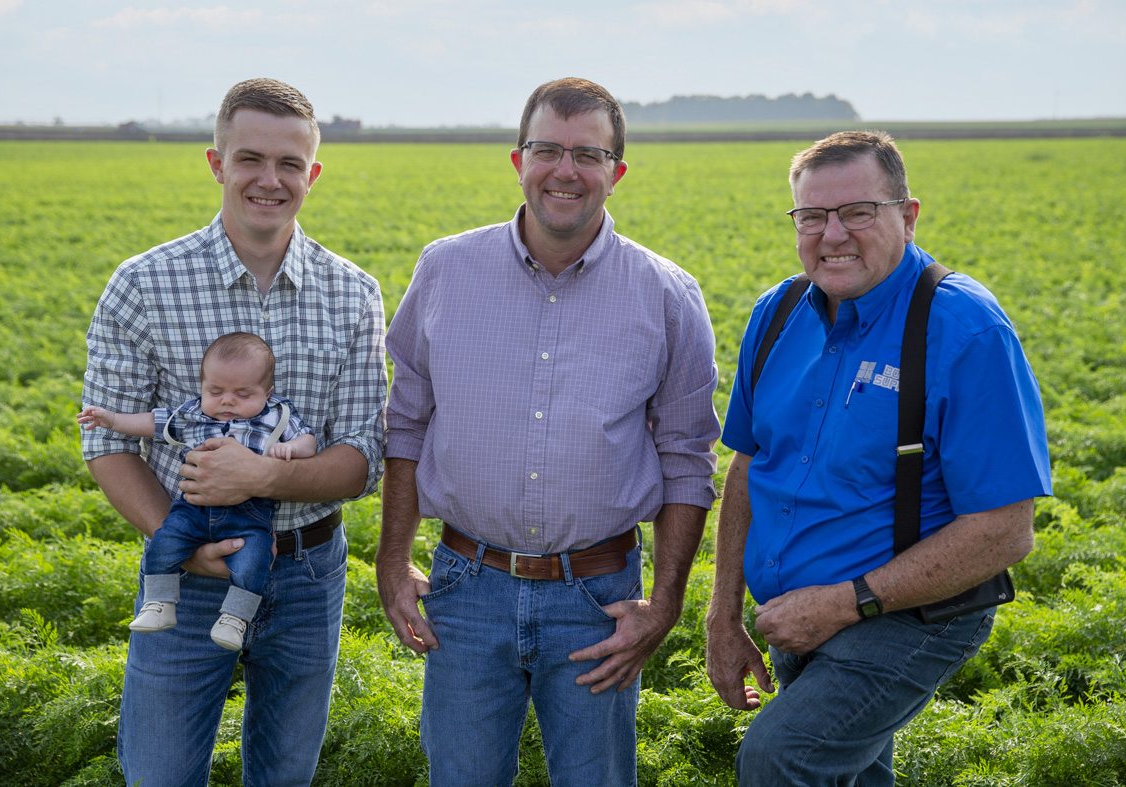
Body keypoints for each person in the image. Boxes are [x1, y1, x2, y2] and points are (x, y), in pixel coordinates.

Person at [378, 77, 720, 785]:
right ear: (518, 160)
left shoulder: (666, 293)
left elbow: (687, 458)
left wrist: (664, 605)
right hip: (465, 591)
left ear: (615, 173)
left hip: (597, 600)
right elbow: (406, 422)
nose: (565, 171)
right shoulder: (446, 269)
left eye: (588, 154)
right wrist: (391, 558)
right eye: (547, 149)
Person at [705, 130, 1052, 786]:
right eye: (812, 216)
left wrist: (842, 603)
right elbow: (748, 467)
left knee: (782, 756)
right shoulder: (777, 315)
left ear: (908, 215)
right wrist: (721, 615)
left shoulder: (963, 329)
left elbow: (1005, 531)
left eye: (858, 212)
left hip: (905, 612)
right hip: (794, 613)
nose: (832, 234)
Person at [81, 78, 386, 787]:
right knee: (159, 774)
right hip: (186, 576)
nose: (268, 180)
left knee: (284, 774)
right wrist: (186, 547)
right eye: (249, 159)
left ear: (311, 174)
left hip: (308, 571)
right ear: (217, 163)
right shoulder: (144, 283)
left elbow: (362, 459)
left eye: (289, 165)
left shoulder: (353, 293)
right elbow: (108, 444)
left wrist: (268, 477)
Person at [78, 332, 317, 651]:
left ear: (267, 392)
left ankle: (235, 618)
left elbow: (309, 440)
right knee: (165, 541)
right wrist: (113, 419)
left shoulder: (277, 416)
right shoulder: (194, 415)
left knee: (254, 559)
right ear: (202, 388)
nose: (227, 401)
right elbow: (153, 423)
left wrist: (292, 450)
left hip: (250, 513)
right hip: (193, 506)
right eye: (215, 391)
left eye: (243, 393)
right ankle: (159, 603)